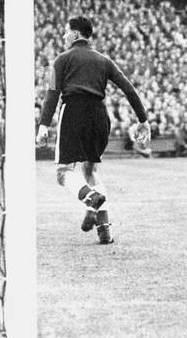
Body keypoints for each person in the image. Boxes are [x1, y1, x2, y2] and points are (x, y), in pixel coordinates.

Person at [36, 16, 148, 245]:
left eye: (66, 32)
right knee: (90, 169)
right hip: (99, 116)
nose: (64, 35)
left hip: (74, 112)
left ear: (76, 34)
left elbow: (52, 94)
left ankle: (90, 198)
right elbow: (128, 88)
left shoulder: (62, 59)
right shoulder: (104, 60)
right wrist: (143, 120)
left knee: (63, 172)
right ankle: (104, 229)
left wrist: (43, 126)